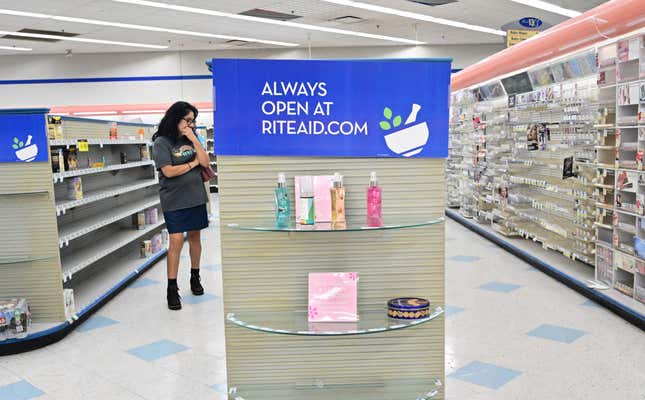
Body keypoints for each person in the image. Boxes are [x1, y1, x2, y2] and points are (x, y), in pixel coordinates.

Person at [152, 101, 210, 310]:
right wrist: (191, 164)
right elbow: (168, 171)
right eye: (188, 120)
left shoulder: (191, 138)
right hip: (173, 199)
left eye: (193, 121)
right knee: (176, 241)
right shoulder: (161, 142)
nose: (191, 124)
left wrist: (193, 138)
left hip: (195, 196)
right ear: (176, 118)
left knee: (195, 237)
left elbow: (205, 162)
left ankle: (195, 277)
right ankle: (172, 287)